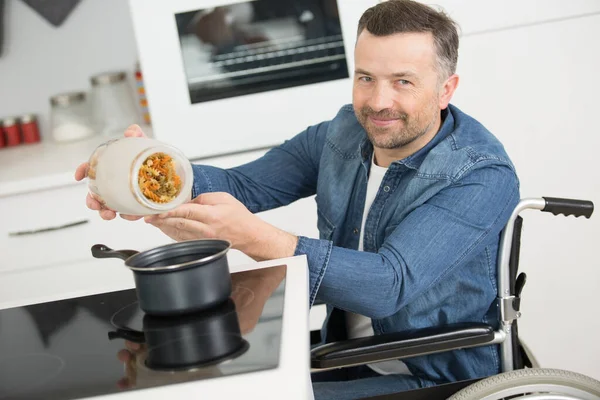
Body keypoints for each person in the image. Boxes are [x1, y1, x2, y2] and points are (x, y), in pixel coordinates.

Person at [75, 1, 520, 398]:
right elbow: (245, 187)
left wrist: (254, 237)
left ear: (446, 89)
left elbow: (388, 285)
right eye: (366, 78)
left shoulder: (480, 175)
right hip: (348, 357)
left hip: (435, 377)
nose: (379, 101)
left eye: (403, 81)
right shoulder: (342, 134)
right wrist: (144, 173)